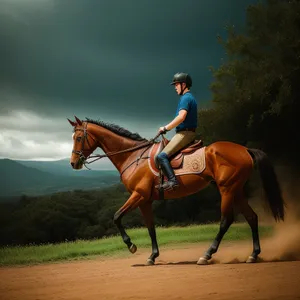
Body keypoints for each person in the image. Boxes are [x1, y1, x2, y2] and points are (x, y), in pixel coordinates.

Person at [156, 72, 198, 191]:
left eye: (176, 84)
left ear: (183, 84)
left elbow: (181, 117)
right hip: (186, 132)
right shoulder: (189, 98)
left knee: (162, 156)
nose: (175, 87)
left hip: (185, 134)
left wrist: (165, 128)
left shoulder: (186, 98)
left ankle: (172, 181)